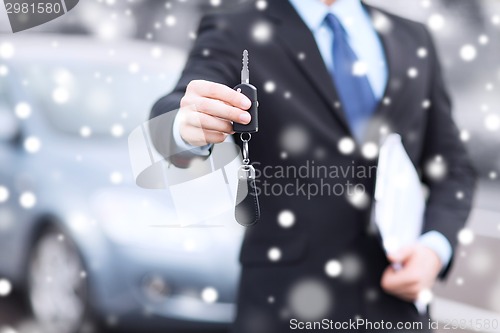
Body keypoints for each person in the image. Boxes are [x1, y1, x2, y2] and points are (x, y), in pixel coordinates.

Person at [150, 0, 476, 331]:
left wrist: (434, 249)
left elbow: (453, 168)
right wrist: (183, 126)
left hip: (396, 308)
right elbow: (169, 120)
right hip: (284, 304)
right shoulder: (236, 30)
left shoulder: (413, 38)